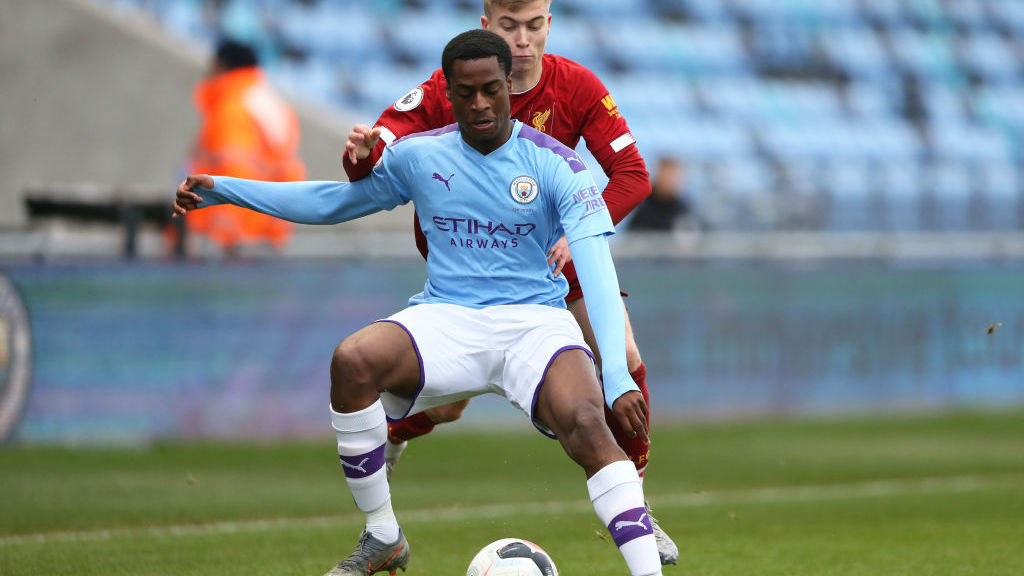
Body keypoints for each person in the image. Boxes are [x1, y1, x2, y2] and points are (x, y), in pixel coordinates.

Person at [174, 30, 663, 576]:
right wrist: (227, 189)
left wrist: (616, 376)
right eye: (466, 92)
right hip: (447, 316)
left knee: (588, 425)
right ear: (448, 95)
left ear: (509, 88)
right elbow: (333, 202)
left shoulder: (556, 166)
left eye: (492, 90)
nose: (480, 104)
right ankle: (382, 534)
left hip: (536, 323)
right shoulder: (419, 155)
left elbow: (595, 268)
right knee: (352, 360)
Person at [342, 1, 678, 564]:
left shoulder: (577, 86)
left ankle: (640, 505)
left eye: (534, 26)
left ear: (550, 24)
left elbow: (634, 176)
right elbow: (374, 156)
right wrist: (362, 155)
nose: (522, 40)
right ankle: (396, 439)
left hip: (553, 265)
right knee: (447, 405)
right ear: (485, 28)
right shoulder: (448, 85)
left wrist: (584, 227)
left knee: (620, 350)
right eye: (508, 27)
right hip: (468, 273)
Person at [181, 38, 305, 257]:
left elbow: (235, 171)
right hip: (265, 236)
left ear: (221, 65)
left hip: (231, 242)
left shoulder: (232, 108)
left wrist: (225, 235)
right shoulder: (270, 103)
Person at [628, 156, 695, 231]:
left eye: (673, 175)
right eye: (667, 174)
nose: (670, 180)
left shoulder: (684, 209)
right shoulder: (644, 211)